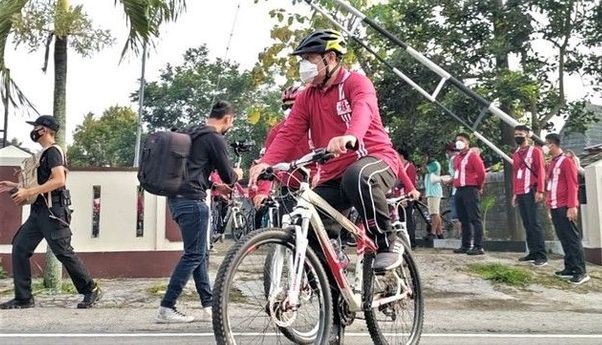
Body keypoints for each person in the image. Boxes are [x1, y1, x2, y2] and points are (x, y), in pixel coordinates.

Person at [249, 29, 419, 343]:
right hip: (332, 173)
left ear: (330, 58)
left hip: (374, 160)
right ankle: (334, 315)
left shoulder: (356, 83)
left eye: (310, 59)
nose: (304, 67)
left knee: (359, 175)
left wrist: (351, 135)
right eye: (302, 61)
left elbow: (363, 111)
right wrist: (266, 162)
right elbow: (288, 133)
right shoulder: (307, 96)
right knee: (312, 226)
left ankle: (387, 241)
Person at [155, 101, 243, 323]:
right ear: (228, 119)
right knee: (194, 254)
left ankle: (208, 305)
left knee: (199, 253)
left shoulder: (190, 133)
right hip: (193, 203)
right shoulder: (214, 138)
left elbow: (191, 171)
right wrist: (237, 173)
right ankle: (167, 306)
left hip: (176, 200)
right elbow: (228, 176)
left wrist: (213, 187)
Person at [0, 115, 101, 309]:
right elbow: (40, 183)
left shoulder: (54, 152)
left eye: (37, 127)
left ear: (45, 130)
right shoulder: (43, 154)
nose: (34, 130)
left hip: (53, 211)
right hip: (38, 211)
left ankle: (91, 289)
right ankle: (24, 298)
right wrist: (14, 185)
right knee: (20, 248)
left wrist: (28, 191)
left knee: (63, 252)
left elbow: (59, 180)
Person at [544, 134, 589, 285]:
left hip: (565, 205)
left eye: (546, 144)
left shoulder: (566, 161)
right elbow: (550, 186)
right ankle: (569, 267)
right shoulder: (553, 163)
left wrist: (572, 206)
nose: (545, 147)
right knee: (563, 237)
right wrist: (549, 206)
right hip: (555, 205)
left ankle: (580, 270)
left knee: (572, 238)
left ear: (552, 145)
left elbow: (572, 184)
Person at [511, 125, 547, 266]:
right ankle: (532, 252)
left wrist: (540, 190)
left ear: (527, 134)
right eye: (516, 134)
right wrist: (515, 192)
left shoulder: (535, 151)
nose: (517, 136)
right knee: (527, 223)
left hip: (531, 190)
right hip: (520, 191)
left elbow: (541, 170)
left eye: (520, 133)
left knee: (534, 223)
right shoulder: (516, 153)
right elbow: (515, 174)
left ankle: (541, 255)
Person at [451, 133, 486, 255]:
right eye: (457, 140)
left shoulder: (473, 156)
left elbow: (481, 173)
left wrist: (479, 186)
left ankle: (478, 246)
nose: (458, 142)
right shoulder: (457, 158)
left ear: (467, 142)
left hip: (470, 189)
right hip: (459, 190)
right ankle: (465, 245)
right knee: (463, 219)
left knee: (475, 218)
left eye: (461, 140)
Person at [392, 147, 417, 248]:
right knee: (399, 219)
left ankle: (411, 241)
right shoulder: (398, 166)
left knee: (407, 220)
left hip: (406, 198)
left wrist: (406, 197)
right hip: (397, 197)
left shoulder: (410, 167)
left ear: (401, 155)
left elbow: (410, 182)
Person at [424, 156, 443, 239]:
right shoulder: (430, 167)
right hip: (430, 192)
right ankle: (439, 232)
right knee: (435, 213)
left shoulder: (434, 165)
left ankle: (433, 232)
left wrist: (425, 163)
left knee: (434, 213)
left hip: (434, 192)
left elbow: (427, 169)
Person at [445, 142, 461, 238]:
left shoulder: (453, 159)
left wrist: (447, 181)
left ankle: (459, 235)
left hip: (456, 190)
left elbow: (455, 176)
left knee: (456, 216)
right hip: (461, 189)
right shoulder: (460, 158)